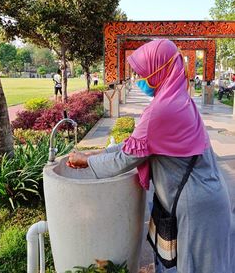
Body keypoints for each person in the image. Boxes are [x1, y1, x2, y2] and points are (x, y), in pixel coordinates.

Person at [67, 39, 232, 273]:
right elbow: (138, 143)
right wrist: (99, 151)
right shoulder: (177, 100)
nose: (139, 79)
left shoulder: (162, 111)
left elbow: (126, 158)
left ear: (159, 70)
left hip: (195, 207)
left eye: (142, 73)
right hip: (204, 196)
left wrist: (88, 161)